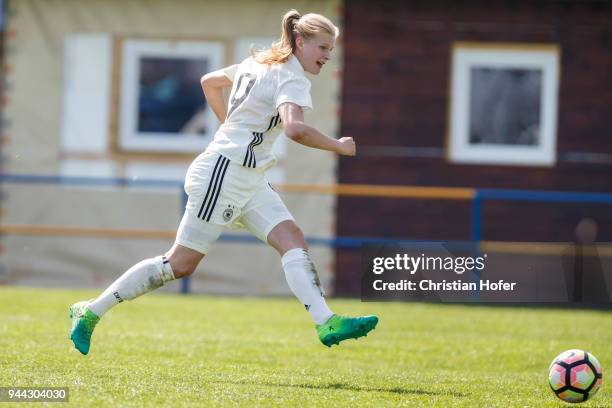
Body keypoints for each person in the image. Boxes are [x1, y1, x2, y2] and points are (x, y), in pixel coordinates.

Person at [69, 9, 378, 355]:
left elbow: (209, 81)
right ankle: (90, 311)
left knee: (292, 240)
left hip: (248, 176)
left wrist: (229, 126)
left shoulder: (260, 63)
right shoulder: (292, 78)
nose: (326, 56)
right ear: (300, 41)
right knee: (180, 264)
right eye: (322, 47)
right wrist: (337, 145)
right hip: (224, 173)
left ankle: (326, 321)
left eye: (330, 50)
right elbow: (294, 128)